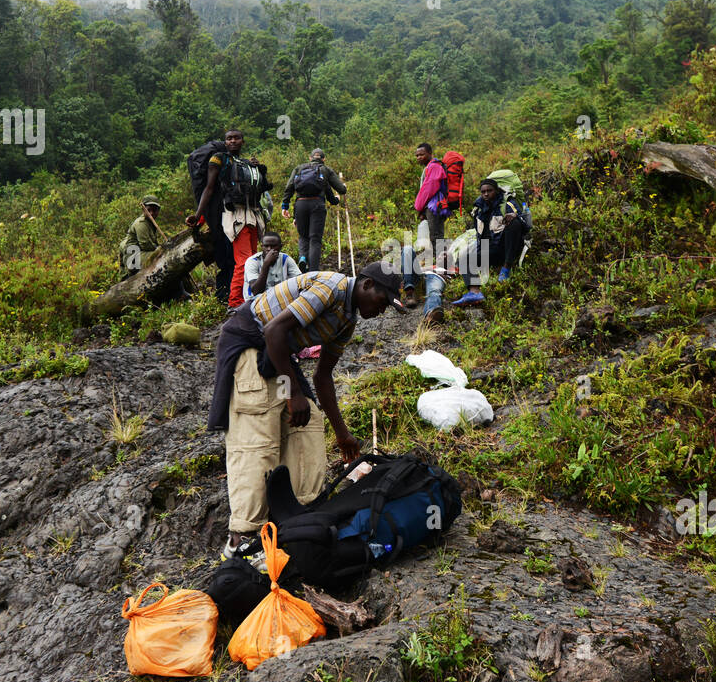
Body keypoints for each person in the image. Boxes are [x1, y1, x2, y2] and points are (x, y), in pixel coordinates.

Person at [206, 262, 405, 566]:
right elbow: (273, 330)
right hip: (251, 341)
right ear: (366, 285)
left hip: (277, 354)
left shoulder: (347, 320)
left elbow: (323, 377)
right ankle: (241, 541)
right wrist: (292, 394)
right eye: (381, 301)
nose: (381, 311)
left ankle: (297, 520)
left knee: (308, 421)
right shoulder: (332, 288)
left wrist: (342, 434)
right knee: (258, 438)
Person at [187, 129, 269, 308]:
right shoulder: (218, 159)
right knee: (237, 260)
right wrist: (198, 214)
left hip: (250, 215)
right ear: (225, 142)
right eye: (229, 139)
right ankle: (233, 301)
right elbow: (208, 189)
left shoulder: (245, 163)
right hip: (230, 217)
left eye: (236, 138)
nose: (232, 141)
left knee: (248, 259)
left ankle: (244, 297)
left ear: (243, 141)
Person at [451, 178, 529, 307]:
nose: (486, 194)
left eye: (489, 191)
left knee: (514, 224)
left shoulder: (508, 204)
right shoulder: (479, 210)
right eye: (483, 192)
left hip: (507, 246)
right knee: (464, 258)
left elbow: (526, 225)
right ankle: (474, 292)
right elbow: (479, 234)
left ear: (497, 191)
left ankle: (506, 269)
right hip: (490, 248)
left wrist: (515, 217)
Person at [282, 147, 347, 272]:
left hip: (300, 205)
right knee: (315, 239)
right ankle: (313, 271)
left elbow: (289, 187)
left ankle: (302, 258)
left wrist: (285, 206)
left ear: (310, 158)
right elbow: (340, 191)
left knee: (303, 236)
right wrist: (339, 196)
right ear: (324, 159)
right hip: (317, 205)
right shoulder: (325, 170)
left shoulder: (299, 168)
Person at [403, 143, 448, 308]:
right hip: (431, 206)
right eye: (416, 155)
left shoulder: (435, 166)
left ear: (429, 153)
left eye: (421, 154)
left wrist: (418, 206)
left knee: (436, 235)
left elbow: (428, 189)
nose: (418, 158)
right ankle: (438, 263)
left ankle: (440, 267)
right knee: (433, 235)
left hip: (434, 206)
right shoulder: (430, 167)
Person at [243, 232, 302, 300]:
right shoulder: (253, 261)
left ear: (280, 247)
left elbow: (299, 282)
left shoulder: (285, 259)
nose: (269, 249)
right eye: (266, 246)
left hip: (280, 298)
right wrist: (266, 264)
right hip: (256, 300)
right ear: (262, 246)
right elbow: (256, 291)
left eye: (273, 246)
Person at [118, 196, 165, 280]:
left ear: (158, 211)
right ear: (144, 210)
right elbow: (145, 245)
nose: (151, 213)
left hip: (139, 254)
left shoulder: (150, 223)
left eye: (154, 210)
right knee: (162, 258)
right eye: (149, 210)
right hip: (133, 257)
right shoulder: (141, 223)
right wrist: (161, 249)